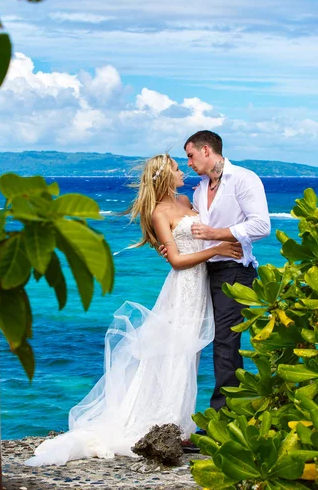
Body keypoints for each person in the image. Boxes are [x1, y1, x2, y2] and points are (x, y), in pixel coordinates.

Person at [25, 153, 242, 466]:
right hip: (183, 288)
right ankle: (170, 424)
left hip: (201, 287)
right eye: (177, 168)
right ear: (164, 176)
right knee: (176, 353)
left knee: (189, 355)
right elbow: (178, 260)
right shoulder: (159, 212)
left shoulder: (186, 199)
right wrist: (218, 248)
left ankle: (179, 422)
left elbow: (201, 230)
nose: (183, 171)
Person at [182, 130, 270, 410]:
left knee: (225, 343)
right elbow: (197, 232)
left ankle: (224, 418)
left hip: (235, 269)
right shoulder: (199, 189)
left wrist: (217, 233)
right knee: (201, 340)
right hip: (204, 270)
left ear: (206, 150)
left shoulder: (244, 179)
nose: (189, 163)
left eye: (190, 156)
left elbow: (261, 226)